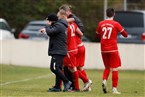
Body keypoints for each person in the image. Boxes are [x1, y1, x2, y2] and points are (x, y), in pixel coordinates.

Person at [96, 8, 128, 94]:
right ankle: (114, 89)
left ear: (106, 14)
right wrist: (123, 30)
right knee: (115, 68)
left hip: (103, 49)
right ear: (114, 14)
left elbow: (97, 34)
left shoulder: (101, 23)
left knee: (107, 67)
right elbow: (125, 35)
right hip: (113, 49)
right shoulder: (116, 24)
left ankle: (104, 80)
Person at [39, 13, 72, 92]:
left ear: (51, 21)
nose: (48, 22)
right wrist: (46, 29)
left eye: (48, 21)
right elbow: (52, 31)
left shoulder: (59, 25)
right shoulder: (58, 25)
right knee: (58, 68)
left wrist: (47, 26)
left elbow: (50, 32)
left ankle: (67, 82)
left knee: (54, 68)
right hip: (58, 50)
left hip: (59, 51)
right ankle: (57, 87)